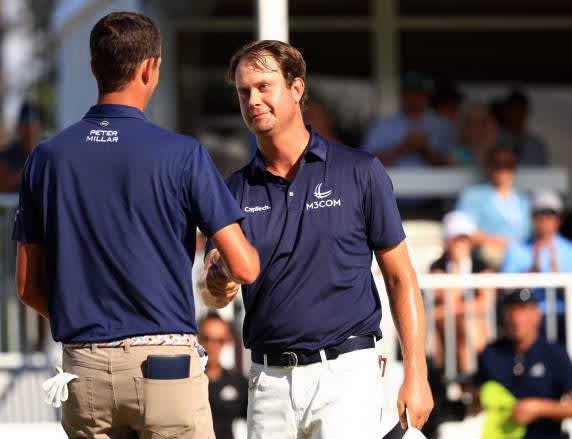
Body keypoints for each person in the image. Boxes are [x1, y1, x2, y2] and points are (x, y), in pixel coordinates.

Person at [13, 12, 259, 439]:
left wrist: (91, 325)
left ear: (94, 67)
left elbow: (27, 286)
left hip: (83, 368)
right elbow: (246, 267)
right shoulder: (183, 154)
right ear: (151, 68)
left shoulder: (45, 158)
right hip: (165, 368)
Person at [201, 40, 433, 439]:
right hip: (267, 380)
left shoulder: (360, 171)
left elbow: (400, 277)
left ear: (296, 89)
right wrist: (219, 279)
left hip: (346, 374)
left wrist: (416, 370)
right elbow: (214, 294)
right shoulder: (232, 189)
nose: (253, 99)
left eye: (263, 86)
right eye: (243, 92)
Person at [474, 289, 572, 439]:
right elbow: (475, 400)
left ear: (537, 315)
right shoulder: (491, 353)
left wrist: (540, 408)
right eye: (511, 310)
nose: (516, 318)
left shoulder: (554, 354)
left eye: (523, 310)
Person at [501, 190, 572, 343]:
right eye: (540, 214)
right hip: (526, 317)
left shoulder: (569, 250)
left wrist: (556, 273)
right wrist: (533, 269)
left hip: (563, 317)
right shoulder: (515, 249)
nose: (545, 220)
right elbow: (506, 290)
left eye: (551, 214)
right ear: (532, 217)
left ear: (560, 219)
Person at [429, 211, 491, 373]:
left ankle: (467, 378)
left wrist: (453, 309)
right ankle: (461, 378)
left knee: (466, 326)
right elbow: (444, 297)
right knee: (461, 326)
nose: (461, 243)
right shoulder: (438, 267)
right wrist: (458, 266)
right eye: (457, 239)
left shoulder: (483, 267)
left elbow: (485, 304)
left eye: (464, 238)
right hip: (446, 325)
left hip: (471, 325)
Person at [456, 145, 532, 269]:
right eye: (497, 164)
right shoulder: (473, 196)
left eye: (508, 164)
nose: (503, 169)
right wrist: (497, 242)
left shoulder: (524, 199)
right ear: (488, 166)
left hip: (523, 254)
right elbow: (463, 230)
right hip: (489, 256)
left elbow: (532, 233)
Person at [360, 71, 454, 167]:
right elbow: (365, 163)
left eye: (418, 93)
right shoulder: (382, 125)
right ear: (401, 95)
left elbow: (452, 165)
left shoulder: (443, 125)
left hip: (436, 181)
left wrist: (424, 149)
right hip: (392, 180)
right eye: (409, 93)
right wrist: (403, 147)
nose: (413, 98)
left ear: (427, 95)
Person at [199, 313, 248, 439]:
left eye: (219, 340)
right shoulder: (184, 383)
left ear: (227, 340)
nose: (212, 346)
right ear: (197, 339)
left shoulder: (239, 383)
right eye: (206, 338)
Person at [0, 101, 43, 192]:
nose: (29, 129)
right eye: (25, 123)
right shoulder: (5, 155)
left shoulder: (50, 152)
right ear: (18, 126)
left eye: (34, 123)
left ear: (40, 127)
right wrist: (31, 170)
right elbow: (0, 186)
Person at [498, 90, 548, 166]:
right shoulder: (494, 140)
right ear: (505, 111)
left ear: (526, 112)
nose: (517, 114)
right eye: (514, 109)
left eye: (521, 110)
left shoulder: (536, 145)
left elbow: (545, 174)